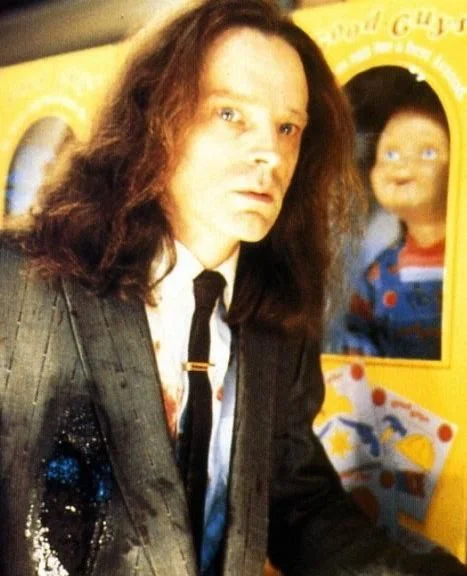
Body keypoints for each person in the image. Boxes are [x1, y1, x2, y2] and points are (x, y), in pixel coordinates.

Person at [0, 1, 465, 575]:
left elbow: (294, 502)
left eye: (288, 127)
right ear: (156, 117)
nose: (270, 153)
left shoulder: (277, 315)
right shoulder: (22, 282)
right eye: (230, 114)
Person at [342, 86, 449, 359]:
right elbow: (355, 329)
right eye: (390, 154)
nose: (402, 166)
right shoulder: (378, 275)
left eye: (427, 153)